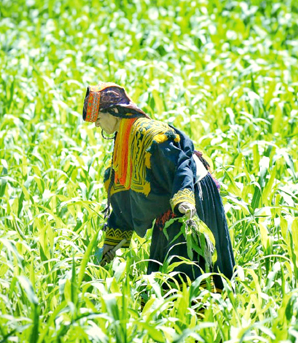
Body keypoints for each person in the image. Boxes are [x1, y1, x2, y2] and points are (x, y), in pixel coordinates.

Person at [83, 82, 235, 291]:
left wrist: (184, 200)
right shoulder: (123, 141)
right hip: (168, 206)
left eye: (99, 119)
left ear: (115, 112)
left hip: (191, 196)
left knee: (192, 273)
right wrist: (113, 240)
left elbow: (182, 163)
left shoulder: (150, 134)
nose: (97, 126)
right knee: (163, 275)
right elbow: (122, 191)